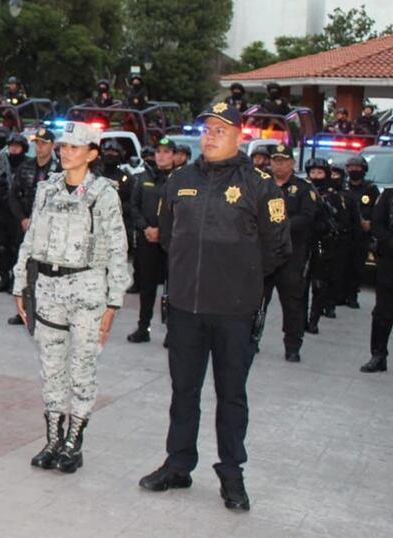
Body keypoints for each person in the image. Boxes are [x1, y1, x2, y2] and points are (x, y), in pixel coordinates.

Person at [139, 101, 290, 512]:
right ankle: (178, 464)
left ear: (240, 135)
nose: (211, 136)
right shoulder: (180, 180)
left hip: (234, 311)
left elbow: (277, 247)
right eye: (207, 129)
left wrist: (240, 278)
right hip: (186, 306)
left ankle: (232, 474)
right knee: (183, 391)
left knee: (231, 395)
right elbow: (169, 236)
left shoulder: (259, 184)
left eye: (221, 130)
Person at [13, 121, 130, 473]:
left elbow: (118, 249)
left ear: (92, 154)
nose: (65, 152)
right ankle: (53, 438)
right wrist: (20, 284)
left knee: (81, 367)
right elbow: (30, 240)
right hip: (48, 288)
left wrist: (113, 302)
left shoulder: (103, 194)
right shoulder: (46, 189)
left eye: (74, 147)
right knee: (51, 367)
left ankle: (73, 442)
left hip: (87, 289)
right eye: (63, 146)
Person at [263, 143, 316, 362]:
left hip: (291, 254)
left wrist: (281, 225)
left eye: (283, 161)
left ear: (292, 163)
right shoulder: (262, 184)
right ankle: (251, 339)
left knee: (292, 302)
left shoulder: (303, 188)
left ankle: (292, 345)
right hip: (264, 253)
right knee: (256, 300)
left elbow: (307, 217)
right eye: (275, 160)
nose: (278, 165)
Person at [4, 127, 61, 324]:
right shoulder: (25, 167)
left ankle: (44, 312)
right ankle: (25, 310)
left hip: (49, 229)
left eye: (44, 143)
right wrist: (22, 218)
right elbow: (13, 195)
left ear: (52, 146)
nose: (39, 147)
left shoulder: (60, 170)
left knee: (46, 271)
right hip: (26, 226)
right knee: (24, 269)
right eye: (37, 143)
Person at [127, 138, 175, 342]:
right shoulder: (143, 177)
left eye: (166, 152)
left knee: (172, 289)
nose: (161, 156)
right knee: (147, 287)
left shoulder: (179, 179)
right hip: (147, 240)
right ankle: (143, 328)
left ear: (173, 155)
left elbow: (183, 211)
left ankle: (172, 332)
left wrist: (163, 231)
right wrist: (146, 228)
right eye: (158, 152)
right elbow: (134, 206)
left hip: (171, 243)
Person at [305, 157, 357, 332]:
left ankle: (315, 317)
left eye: (319, 172)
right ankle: (301, 319)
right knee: (300, 285)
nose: (315, 176)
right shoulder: (304, 191)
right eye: (313, 172)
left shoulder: (333, 195)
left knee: (320, 283)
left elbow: (342, 219)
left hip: (324, 244)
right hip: (304, 242)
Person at [0, 133, 27, 294]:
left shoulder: (26, 165)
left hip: (17, 213)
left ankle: (15, 281)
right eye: (11, 146)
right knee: (2, 247)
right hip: (2, 211)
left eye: (17, 146)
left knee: (16, 248)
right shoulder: (1, 163)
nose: (14, 149)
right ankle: (4, 278)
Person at [361, 189, 393, 373]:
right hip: (389, 262)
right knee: (383, 312)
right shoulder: (388, 196)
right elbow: (377, 225)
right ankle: (378, 355)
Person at [344, 155, 380, 309]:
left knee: (357, 265)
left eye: (357, 167)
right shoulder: (344, 187)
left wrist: (370, 223)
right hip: (345, 232)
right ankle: (339, 295)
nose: (354, 170)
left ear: (363, 170)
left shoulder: (370, 189)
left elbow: (377, 210)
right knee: (342, 265)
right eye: (351, 167)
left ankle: (352, 295)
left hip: (361, 234)